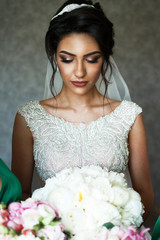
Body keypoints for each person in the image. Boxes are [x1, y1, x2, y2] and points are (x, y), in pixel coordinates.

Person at [12, 0, 154, 224]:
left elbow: (144, 193)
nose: (79, 71)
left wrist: (112, 231)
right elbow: (19, 197)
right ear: (55, 56)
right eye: (67, 59)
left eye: (92, 59)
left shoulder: (128, 116)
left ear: (105, 57)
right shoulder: (29, 118)